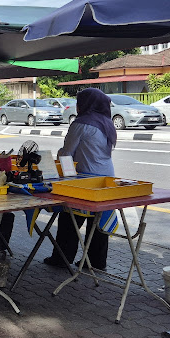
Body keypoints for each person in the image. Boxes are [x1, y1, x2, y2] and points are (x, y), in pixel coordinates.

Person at [45, 88, 116, 271]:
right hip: (107, 178)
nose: (77, 106)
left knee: (70, 217)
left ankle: (62, 257)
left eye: (79, 102)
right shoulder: (107, 123)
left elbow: (67, 153)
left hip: (85, 178)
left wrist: (59, 167)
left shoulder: (81, 123)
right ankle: (96, 263)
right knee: (98, 221)